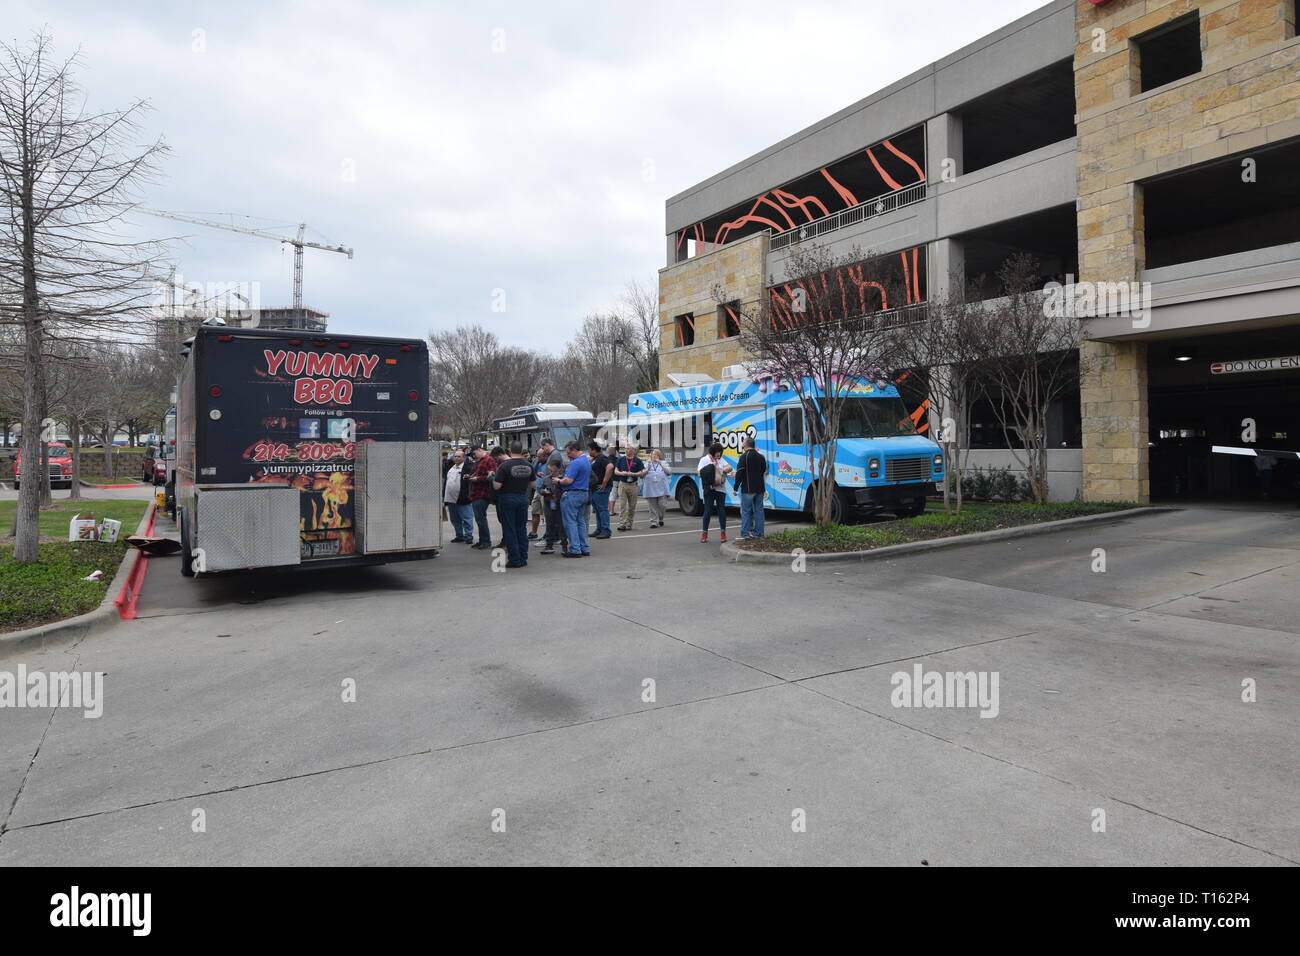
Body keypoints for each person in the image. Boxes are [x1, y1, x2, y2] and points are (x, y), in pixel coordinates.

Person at [492, 442, 536, 568]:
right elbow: (533, 485)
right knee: (521, 529)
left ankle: (514, 559)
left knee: (510, 530)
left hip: (508, 498)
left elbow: (497, 486)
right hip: (523, 498)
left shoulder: (504, 466)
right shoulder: (529, 465)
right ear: (522, 450)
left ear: (510, 450)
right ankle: (523, 558)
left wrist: (492, 478)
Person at [557, 441, 591, 557]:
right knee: (581, 521)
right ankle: (584, 547)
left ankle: (575, 549)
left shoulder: (576, 463)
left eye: (568, 453)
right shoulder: (586, 461)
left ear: (574, 450)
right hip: (584, 493)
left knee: (570, 522)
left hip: (573, 494)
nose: (568, 455)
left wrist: (558, 481)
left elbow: (569, 480)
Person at [698, 441, 732, 543]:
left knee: (721, 510)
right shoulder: (704, 459)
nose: (719, 454)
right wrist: (711, 469)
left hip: (720, 489)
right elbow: (699, 473)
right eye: (717, 452)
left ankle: (723, 533)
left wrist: (722, 470)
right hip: (709, 489)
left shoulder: (721, 460)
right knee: (707, 511)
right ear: (713, 451)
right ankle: (704, 533)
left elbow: (729, 467)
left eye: (720, 452)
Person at [734, 436, 768, 539]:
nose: (742, 445)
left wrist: (735, 487)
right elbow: (763, 470)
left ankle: (745, 534)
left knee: (746, 511)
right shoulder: (761, 457)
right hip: (760, 489)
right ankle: (759, 533)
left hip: (748, 489)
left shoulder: (744, 457)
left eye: (743, 443)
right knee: (759, 511)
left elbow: (740, 473)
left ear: (746, 445)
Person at [443, 449, 474, 543]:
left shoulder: (468, 468)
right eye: (455, 456)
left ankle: (468, 537)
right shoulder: (451, 468)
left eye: (459, 456)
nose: (456, 458)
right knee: (455, 520)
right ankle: (459, 536)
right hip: (451, 499)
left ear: (463, 457)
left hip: (463, 499)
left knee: (467, 519)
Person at [468, 446, 496, 549]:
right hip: (476, 493)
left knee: (481, 518)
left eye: (474, 453)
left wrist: (478, 479)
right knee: (479, 518)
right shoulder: (479, 461)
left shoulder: (489, 460)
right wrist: (470, 476)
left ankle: (486, 541)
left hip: (483, 493)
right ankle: (482, 540)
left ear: (480, 450)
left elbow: (493, 476)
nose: (473, 456)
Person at [613, 442, 645, 531]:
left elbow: (641, 472)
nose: (626, 450)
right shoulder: (621, 459)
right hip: (623, 484)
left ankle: (629, 523)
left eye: (628, 448)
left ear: (633, 450)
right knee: (622, 506)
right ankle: (622, 524)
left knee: (632, 506)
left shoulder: (637, 460)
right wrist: (622, 473)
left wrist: (634, 474)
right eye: (625, 449)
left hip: (633, 485)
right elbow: (615, 471)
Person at [586, 441, 614, 539]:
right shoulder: (596, 458)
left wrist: (604, 482)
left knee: (602, 509)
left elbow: (610, 467)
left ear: (594, 450)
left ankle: (606, 530)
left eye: (589, 449)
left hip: (602, 488)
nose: (588, 451)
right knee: (598, 510)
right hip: (595, 488)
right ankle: (600, 529)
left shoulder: (602, 458)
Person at [538, 459, 562, 554]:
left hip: (560, 504)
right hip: (549, 504)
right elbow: (540, 489)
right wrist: (543, 491)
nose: (552, 473)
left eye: (554, 471)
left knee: (561, 525)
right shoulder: (546, 479)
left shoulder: (563, 478)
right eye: (550, 471)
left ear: (559, 470)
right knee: (549, 525)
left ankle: (564, 545)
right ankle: (549, 546)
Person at [642, 448, 671, 528]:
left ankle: (661, 518)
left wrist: (660, 464)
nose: (654, 456)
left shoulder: (663, 463)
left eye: (655, 454)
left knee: (662, 505)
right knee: (652, 506)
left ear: (659, 456)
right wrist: (648, 468)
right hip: (651, 488)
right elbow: (642, 475)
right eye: (652, 454)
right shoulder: (646, 463)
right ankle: (654, 522)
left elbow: (668, 472)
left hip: (662, 488)